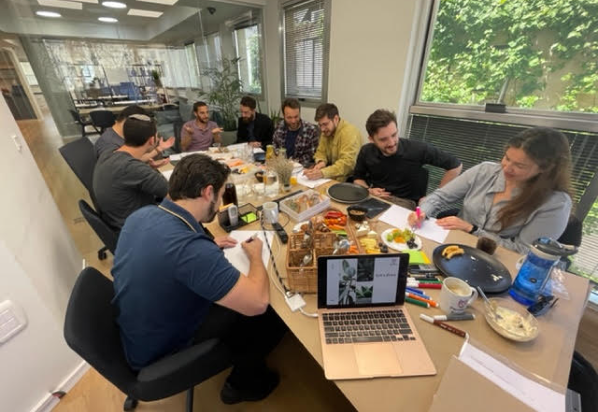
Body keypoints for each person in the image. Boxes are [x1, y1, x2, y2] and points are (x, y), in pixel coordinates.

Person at [112, 154, 286, 404]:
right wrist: (256, 256)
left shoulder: (141, 215)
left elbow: (168, 255)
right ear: (208, 192)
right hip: (161, 352)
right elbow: (257, 302)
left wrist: (208, 245)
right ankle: (242, 384)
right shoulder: (191, 250)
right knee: (270, 313)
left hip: (138, 332)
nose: (220, 203)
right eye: (221, 195)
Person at [408, 127, 573, 254]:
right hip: (453, 244)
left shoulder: (555, 203)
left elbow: (525, 251)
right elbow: (440, 197)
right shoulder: (485, 171)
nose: (507, 168)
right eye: (507, 158)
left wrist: (472, 230)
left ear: (545, 168)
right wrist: (422, 212)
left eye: (519, 165)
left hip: (497, 258)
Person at [353, 109, 462, 205]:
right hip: (375, 199)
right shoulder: (366, 151)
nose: (391, 143)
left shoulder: (417, 149)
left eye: (394, 135)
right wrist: (369, 190)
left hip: (406, 203)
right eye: (383, 139)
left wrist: (435, 197)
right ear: (371, 139)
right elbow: (358, 178)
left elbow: (455, 166)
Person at [93, 114, 169, 230]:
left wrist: (149, 167)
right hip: (141, 228)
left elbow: (131, 174)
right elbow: (174, 195)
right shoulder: (134, 169)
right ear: (152, 140)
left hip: (117, 220)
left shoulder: (108, 153)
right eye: (157, 136)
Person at [94, 105, 173, 167]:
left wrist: (159, 149)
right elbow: (120, 169)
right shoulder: (109, 144)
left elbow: (134, 157)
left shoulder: (117, 136)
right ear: (127, 121)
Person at [304, 103, 361, 181]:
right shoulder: (327, 131)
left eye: (325, 124)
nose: (322, 129)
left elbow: (347, 164)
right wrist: (321, 162)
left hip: (349, 178)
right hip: (332, 175)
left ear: (336, 119)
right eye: (320, 125)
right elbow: (320, 152)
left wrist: (322, 173)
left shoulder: (349, 133)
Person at [272, 98, 320, 166]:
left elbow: (312, 155)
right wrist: (279, 158)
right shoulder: (279, 126)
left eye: (296, 117)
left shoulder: (310, 130)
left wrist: (293, 163)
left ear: (299, 113)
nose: (293, 121)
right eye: (289, 117)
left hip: (301, 167)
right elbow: (275, 145)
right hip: (282, 165)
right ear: (284, 115)